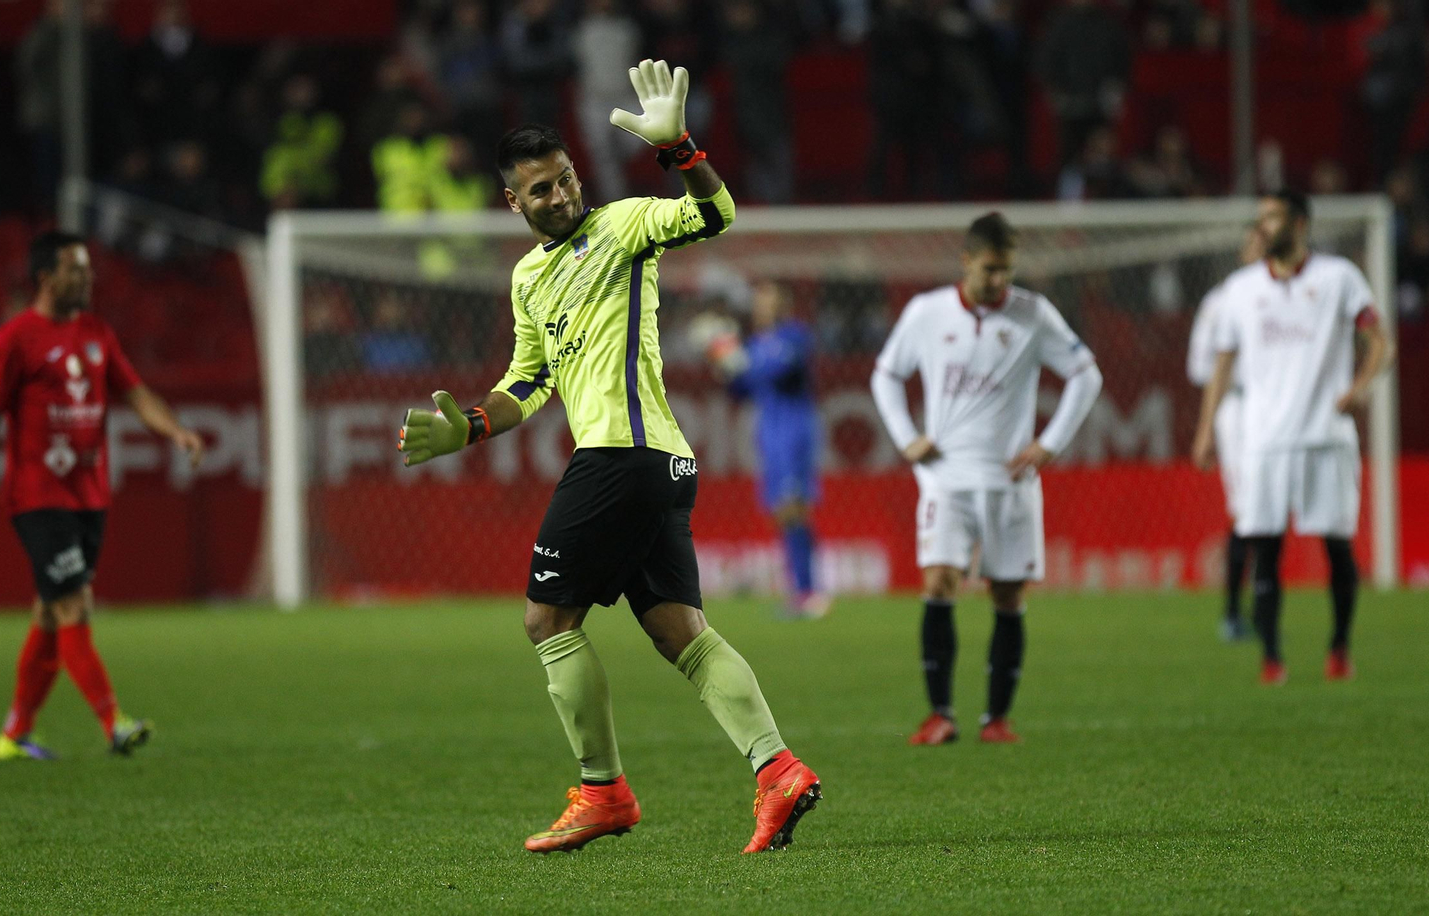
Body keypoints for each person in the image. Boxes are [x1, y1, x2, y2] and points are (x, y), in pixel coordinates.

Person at [396, 60, 821, 855]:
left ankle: (603, 793)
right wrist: (473, 426)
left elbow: (716, 213)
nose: (560, 196)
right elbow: (529, 381)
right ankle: (778, 771)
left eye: (564, 180)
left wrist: (681, 150)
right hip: (659, 466)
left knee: (547, 619)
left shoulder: (624, 226)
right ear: (513, 202)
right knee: (681, 632)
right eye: (541, 190)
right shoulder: (528, 278)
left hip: (622, 457)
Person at [0, 230, 205, 761]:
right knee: (74, 603)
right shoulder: (12, 340)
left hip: (89, 494)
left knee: (50, 613)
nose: (88, 278)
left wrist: (175, 431)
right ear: (46, 278)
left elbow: (136, 392)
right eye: (76, 269)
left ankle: (15, 734)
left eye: (88, 269)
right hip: (37, 496)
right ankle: (113, 723)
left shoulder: (97, 333)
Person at [871, 212, 1103, 746]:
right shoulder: (927, 312)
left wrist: (1049, 444)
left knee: (1007, 593)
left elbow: (1086, 374)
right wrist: (907, 436)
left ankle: (996, 719)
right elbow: (886, 374)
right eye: (990, 269)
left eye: (1007, 271)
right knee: (938, 581)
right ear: (967, 262)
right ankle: (940, 715)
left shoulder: (1033, 313)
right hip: (944, 476)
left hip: (1009, 480)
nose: (1000, 280)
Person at [1191, 191, 1392, 685]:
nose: (1262, 226)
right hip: (1263, 439)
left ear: (1299, 224)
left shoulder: (1339, 278)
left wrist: (1360, 388)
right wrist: (1205, 429)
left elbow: (1380, 342)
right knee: (1265, 547)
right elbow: (1222, 364)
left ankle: (1339, 647)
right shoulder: (1240, 289)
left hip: (1325, 435)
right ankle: (1272, 658)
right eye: (1259, 218)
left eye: (1273, 217)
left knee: (1337, 546)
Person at [701, 281, 828, 618]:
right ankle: (802, 591)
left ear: (782, 305)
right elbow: (741, 390)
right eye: (758, 301)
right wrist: (722, 361)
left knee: (794, 506)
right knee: (782, 511)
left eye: (767, 301)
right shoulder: (756, 344)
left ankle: (810, 592)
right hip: (769, 434)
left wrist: (733, 356)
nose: (760, 307)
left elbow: (780, 371)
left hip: (794, 430)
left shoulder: (794, 336)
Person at [1187, 226, 1267, 642]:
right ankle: (1234, 613)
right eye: (1255, 243)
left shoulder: (1289, 297)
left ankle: (1262, 611)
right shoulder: (1222, 301)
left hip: (1278, 407)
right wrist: (1208, 426)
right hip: (1236, 406)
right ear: (1243, 252)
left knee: (1270, 508)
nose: (1261, 250)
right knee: (1246, 508)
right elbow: (1200, 367)